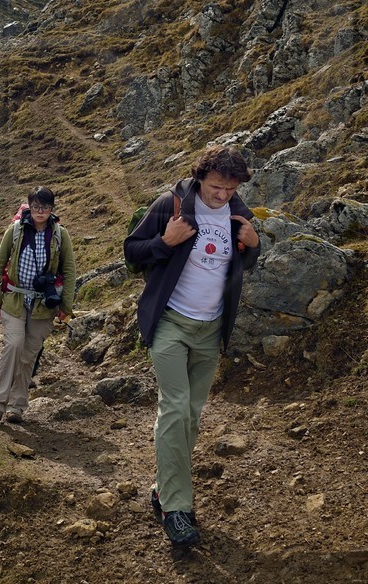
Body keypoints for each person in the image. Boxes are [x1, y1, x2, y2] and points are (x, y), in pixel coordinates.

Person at [122, 145, 260, 547]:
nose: (223, 195)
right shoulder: (172, 205)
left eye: (230, 188)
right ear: (201, 177)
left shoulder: (239, 214)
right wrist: (165, 241)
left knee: (192, 416)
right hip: (170, 324)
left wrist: (253, 245)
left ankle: (163, 486)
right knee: (176, 408)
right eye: (217, 186)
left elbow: (239, 262)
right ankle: (177, 509)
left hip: (210, 330)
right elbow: (132, 253)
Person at [0, 186, 77, 424]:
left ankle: (17, 406)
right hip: (15, 300)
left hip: (43, 306)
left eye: (45, 207)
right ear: (30, 206)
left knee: (28, 355)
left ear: (52, 209)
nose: (40, 211)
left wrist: (66, 306)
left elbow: (69, 270)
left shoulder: (59, 234)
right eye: (36, 206)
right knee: (14, 345)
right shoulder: (15, 231)